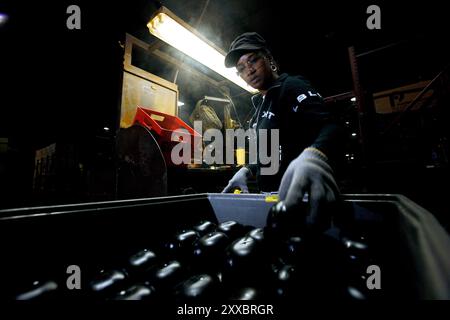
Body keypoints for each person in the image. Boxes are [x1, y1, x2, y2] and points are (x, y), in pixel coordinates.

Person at [222, 32, 344, 225]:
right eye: (242, 68)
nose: (249, 71)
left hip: (302, 199)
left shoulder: (291, 87)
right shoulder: (261, 106)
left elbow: (332, 126)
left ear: (268, 59)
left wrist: (314, 155)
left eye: (253, 61)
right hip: (272, 200)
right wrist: (249, 170)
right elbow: (270, 151)